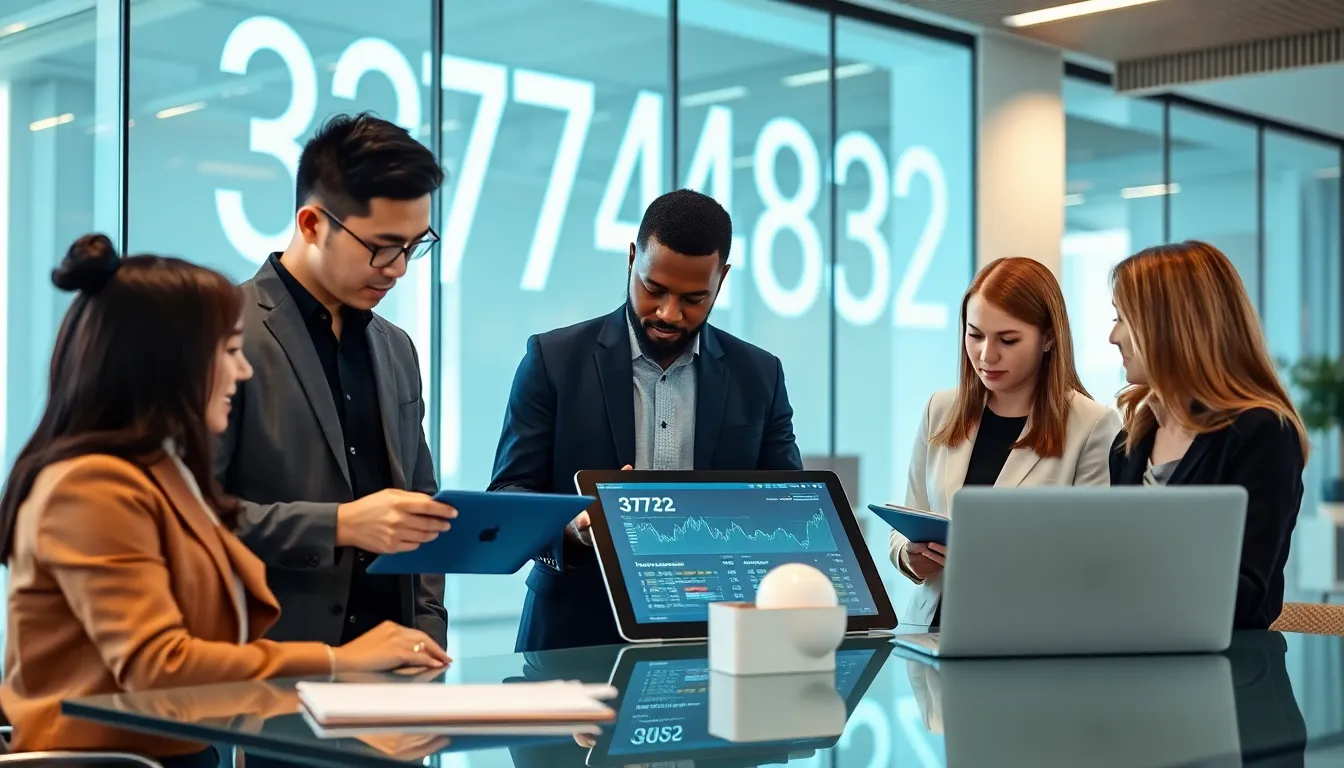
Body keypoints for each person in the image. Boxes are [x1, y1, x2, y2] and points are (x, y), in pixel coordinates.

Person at [0, 235, 448, 765]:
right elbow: (158, 666)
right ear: (169, 364)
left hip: (180, 749)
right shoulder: (90, 488)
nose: (242, 371)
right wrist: (336, 660)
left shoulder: (166, 479)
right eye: (230, 352)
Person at [489, 188, 804, 652]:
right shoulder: (553, 360)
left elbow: (788, 507)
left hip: (715, 640)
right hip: (571, 634)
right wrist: (572, 529)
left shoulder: (760, 375)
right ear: (632, 257)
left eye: (694, 298)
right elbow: (508, 497)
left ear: (723, 279)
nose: (668, 313)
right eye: (653, 289)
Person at [216, 112, 454, 656]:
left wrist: (428, 632)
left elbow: (420, 502)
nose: (399, 269)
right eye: (382, 246)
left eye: (415, 245)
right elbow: (195, 517)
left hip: (395, 673)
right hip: (268, 674)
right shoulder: (222, 328)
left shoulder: (396, 347)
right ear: (311, 224)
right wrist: (340, 525)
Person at [891, 257, 1121, 626]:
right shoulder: (940, 408)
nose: (986, 355)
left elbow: (1093, 559)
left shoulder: (1093, 425)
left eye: (1008, 340)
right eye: (975, 334)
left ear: (1048, 338)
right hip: (932, 630)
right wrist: (908, 555)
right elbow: (906, 521)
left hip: (1029, 632)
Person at [1108, 241, 1307, 630]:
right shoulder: (1130, 440)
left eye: (1122, 319)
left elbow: (1244, 599)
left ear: (1169, 326)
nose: (1113, 337)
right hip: (1134, 661)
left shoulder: (1263, 432)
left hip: (1229, 677)